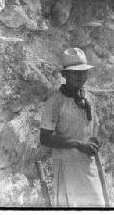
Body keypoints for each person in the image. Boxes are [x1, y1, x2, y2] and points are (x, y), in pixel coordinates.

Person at [39, 48, 104, 207]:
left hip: (87, 163)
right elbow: (45, 138)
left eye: (84, 72)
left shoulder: (89, 98)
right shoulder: (55, 102)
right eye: (75, 73)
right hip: (66, 164)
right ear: (64, 75)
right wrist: (77, 144)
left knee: (97, 205)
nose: (81, 76)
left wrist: (94, 141)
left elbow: (91, 128)